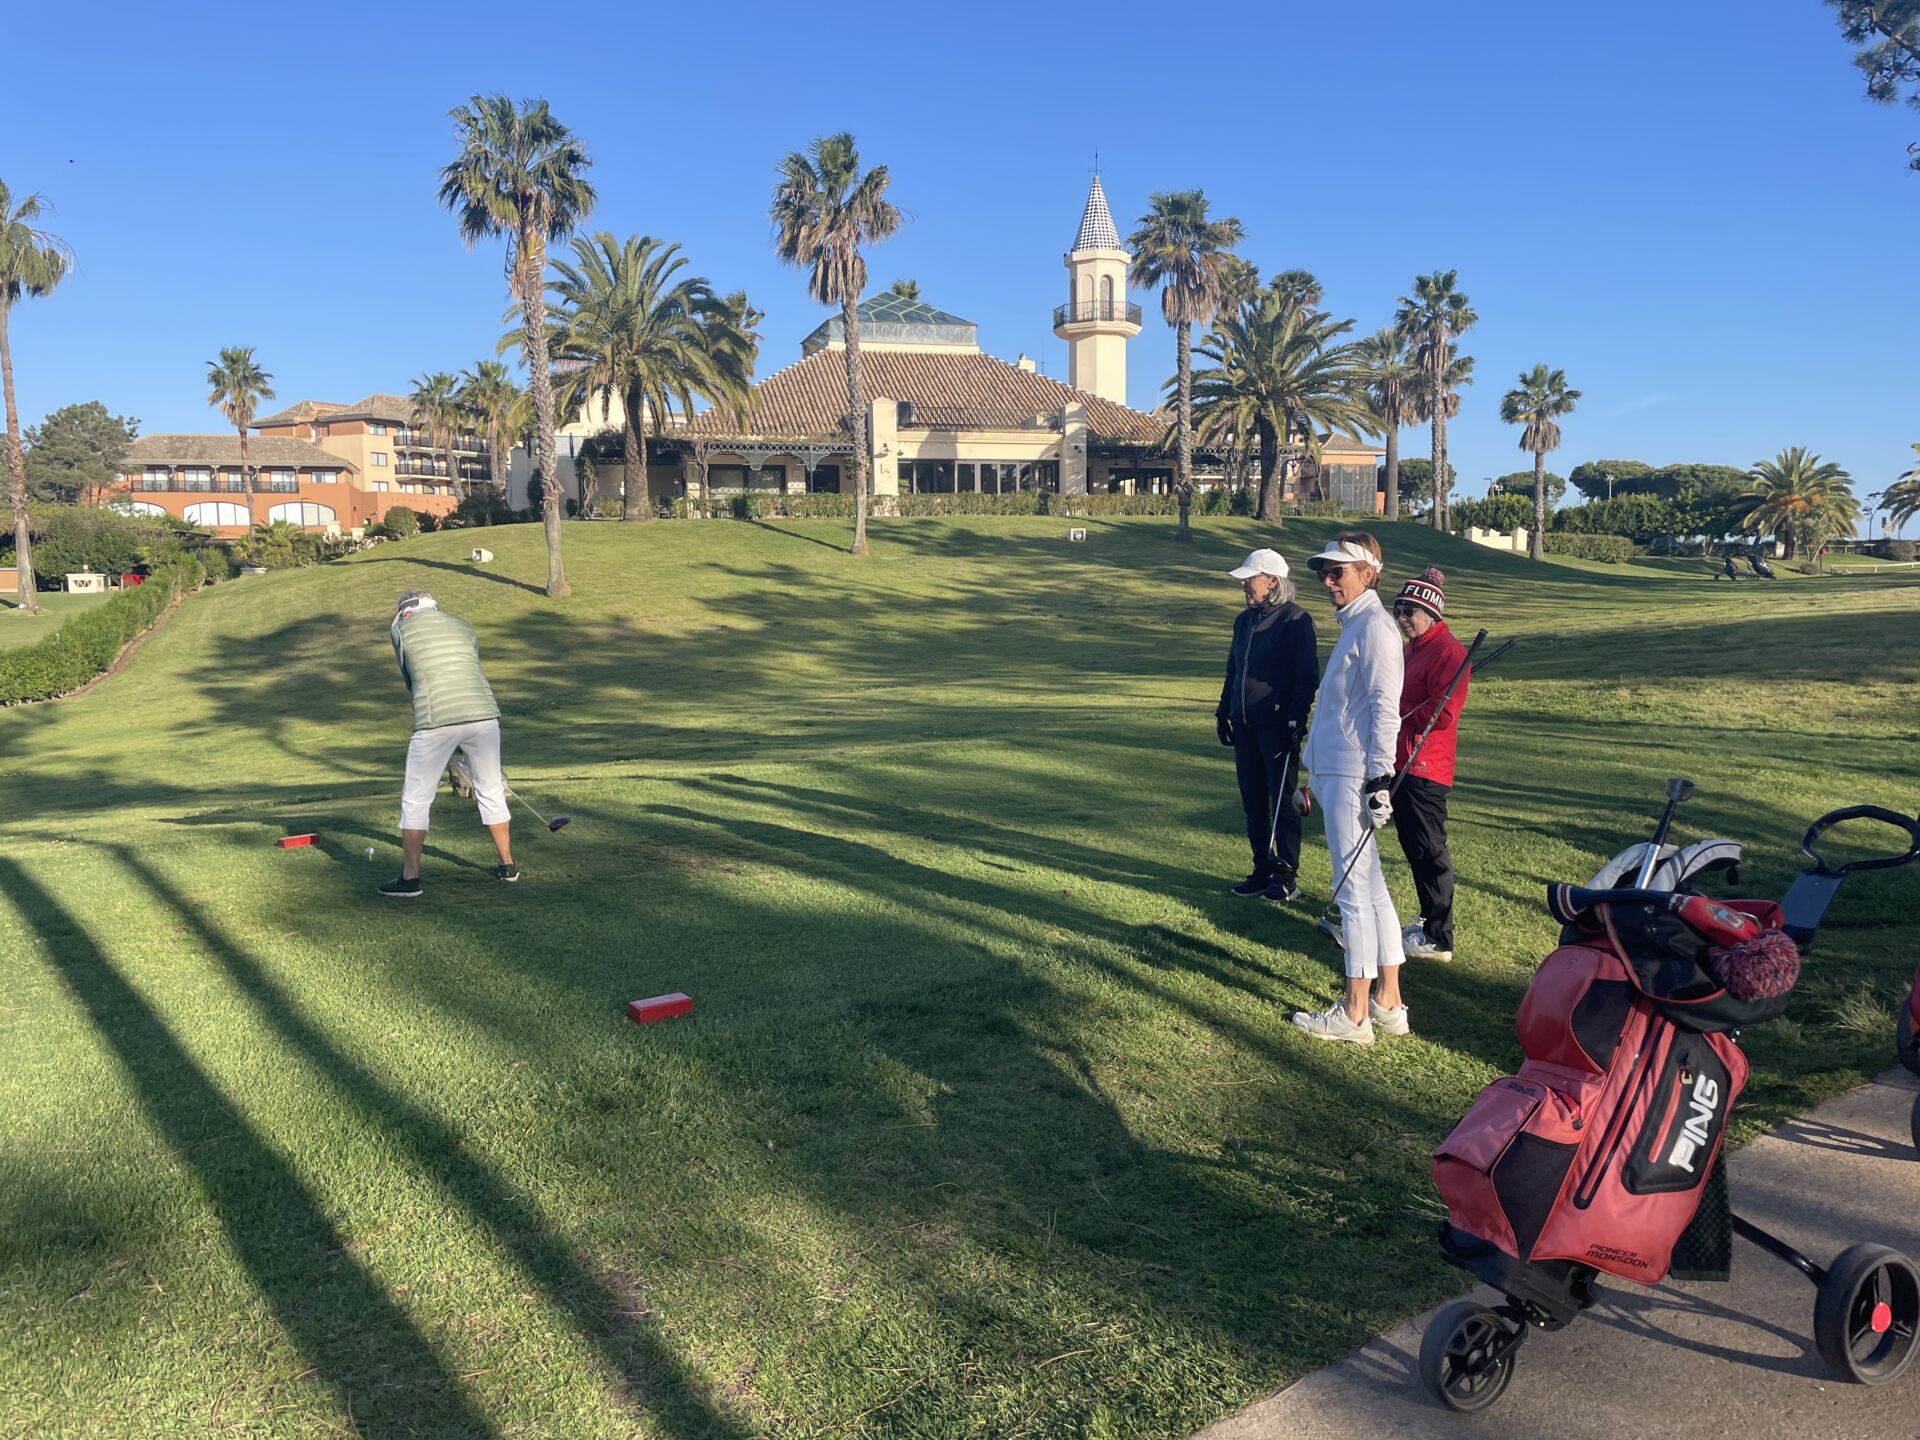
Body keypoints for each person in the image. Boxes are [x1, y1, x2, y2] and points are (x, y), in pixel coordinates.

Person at [1292, 532, 1407, 1045]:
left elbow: (1385, 707)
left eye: (1337, 571)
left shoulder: (1375, 627)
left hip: (1353, 773)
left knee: (1354, 892)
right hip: (1338, 772)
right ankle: (1389, 1001)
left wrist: (1380, 777)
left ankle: (1356, 1013)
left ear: (1368, 573)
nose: (1327, 580)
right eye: (1324, 572)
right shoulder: (1355, 624)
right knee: (1371, 886)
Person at [382, 589, 517, 897]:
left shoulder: (400, 629)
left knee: (416, 799)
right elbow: (470, 666)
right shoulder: (462, 624)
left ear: (405, 612)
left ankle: (410, 879)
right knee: (491, 790)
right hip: (483, 715)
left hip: (434, 720)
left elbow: (409, 679)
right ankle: (507, 866)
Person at [1215, 548, 1319, 901]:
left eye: (1250, 578)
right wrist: (1224, 710)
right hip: (1245, 723)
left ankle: (1286, 874)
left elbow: (1306, 676)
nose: (1243, 584)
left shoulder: (1295, 620)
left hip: (1277, 726)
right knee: (1253, 799)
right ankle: (1261, 867)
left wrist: (1295, 720)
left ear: (1272, 582)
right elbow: (1233, 670)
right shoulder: (1244, 621)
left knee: (1282, 801)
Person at [1390, 567, 1468, 963]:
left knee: (1429, 849)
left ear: (1431, 613)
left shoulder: (1449, 652)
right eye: (1398, 610)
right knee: (1413, 847)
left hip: (1425, 766)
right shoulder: (1411, 649)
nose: (1401, 618)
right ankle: (1427, 922)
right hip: (1401, 760)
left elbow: (1444, 713)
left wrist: (1398, 714)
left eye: (1409, 612)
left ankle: (1440, 937)